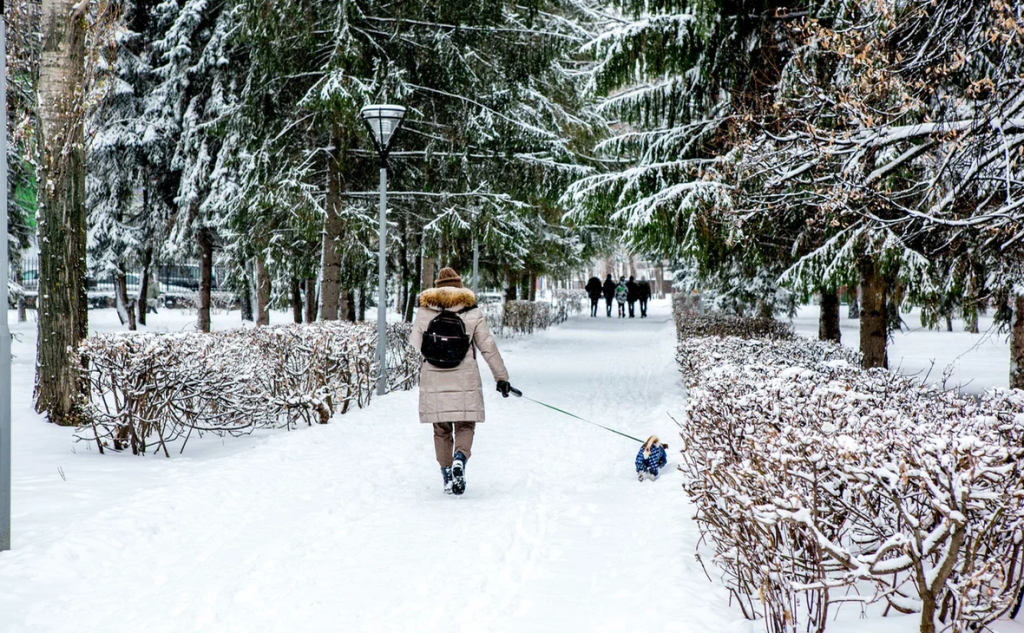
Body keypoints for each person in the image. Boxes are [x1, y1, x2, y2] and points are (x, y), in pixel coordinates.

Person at [410, 267, 513, 496]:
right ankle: (460, 458)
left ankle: (447, 475)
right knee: (465, 423)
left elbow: (416, 344)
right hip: (465, 376)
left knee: (441, 428)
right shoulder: (471, 311)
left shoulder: (424, 311)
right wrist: (502, 378)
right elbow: (488, 347)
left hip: (434, 377)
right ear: (460, 285)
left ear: (437, 286)